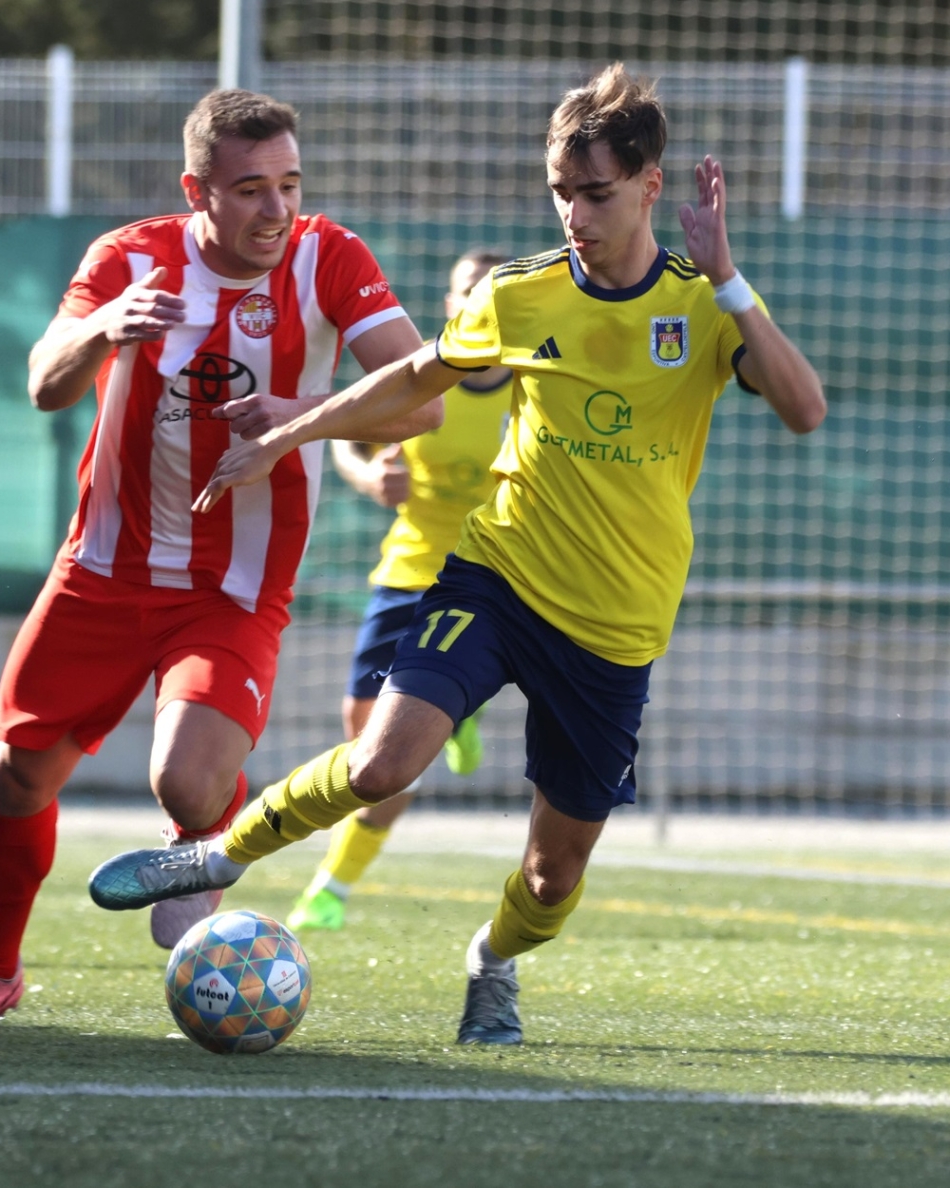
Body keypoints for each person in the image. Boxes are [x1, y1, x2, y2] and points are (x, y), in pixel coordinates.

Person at [88, 65, 826, 1045]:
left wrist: (729, 280)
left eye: (596, 193)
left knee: (550, 877)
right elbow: (409, 378)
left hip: (614, 624)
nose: (574, 213)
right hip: (498, 573)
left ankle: (492, 961)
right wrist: (295, 427)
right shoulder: (523, 296)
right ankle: (221, 854)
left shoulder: (702, 306)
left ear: (652, 187)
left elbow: (804, 407)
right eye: (561, 191)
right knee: (385, 760)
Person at [0, 88, 440, 1037]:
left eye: (288, 184)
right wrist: (102, 330)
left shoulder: (331, 256)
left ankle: (199, 847)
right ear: (197, 191)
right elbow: (43, 383)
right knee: (17, 778)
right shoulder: (129, 257)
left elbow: (420, 399)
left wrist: (299, 420)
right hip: (103, 570)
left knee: (186, 783)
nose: (275, 210)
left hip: (234, 590)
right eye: (248, 191)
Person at [287, 250, 513, 933]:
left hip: (491, 573)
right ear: (450, 305)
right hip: (409, 570)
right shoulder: (424, 371)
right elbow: (346, 433)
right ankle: (456, 711)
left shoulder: (536, 380)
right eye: (465, 291)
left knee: (397, 745)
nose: (476, 302)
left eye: (490, 292)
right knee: (363, 740)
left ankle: (330, 887)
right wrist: (368, 478)